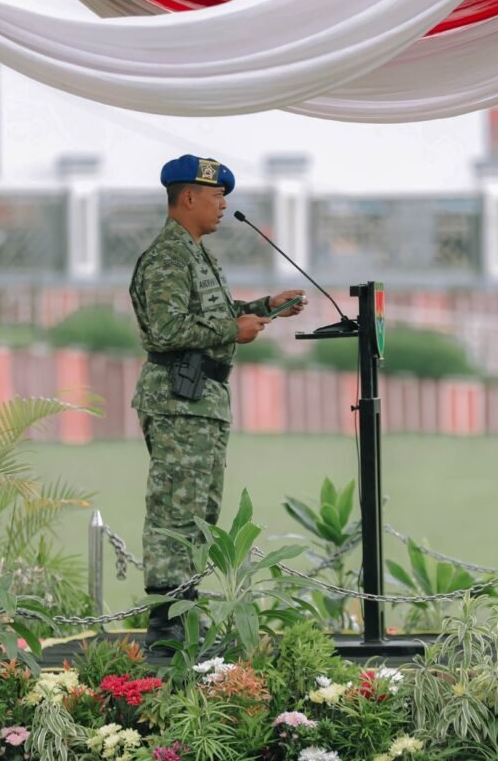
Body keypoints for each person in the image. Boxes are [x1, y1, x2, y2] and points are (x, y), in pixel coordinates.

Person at [129, 154, 306, 650]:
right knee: (175, 508)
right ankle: (166, 623)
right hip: (178, 398)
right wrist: (233, 329)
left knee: (200, 509)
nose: (223, 205)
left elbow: (207, 314)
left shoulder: (195, 253)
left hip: (202, 399)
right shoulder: (168, 257)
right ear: (187, 198)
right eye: (215, 196)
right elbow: (165, 331)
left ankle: (185, 612)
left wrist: (260, 308)